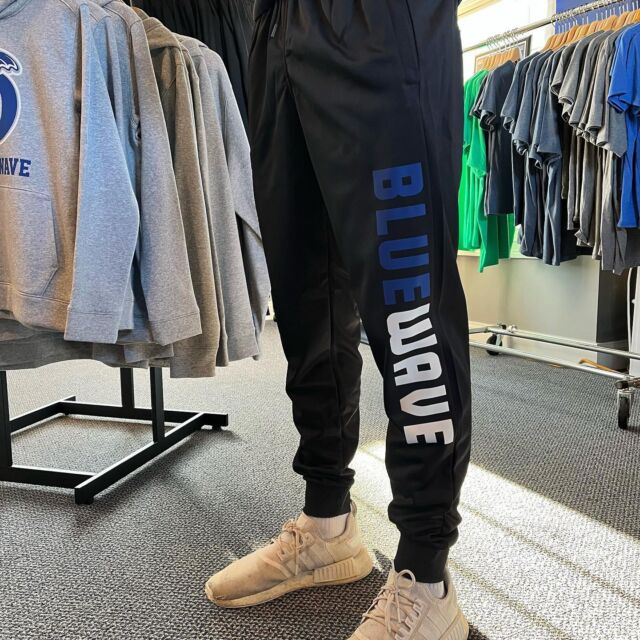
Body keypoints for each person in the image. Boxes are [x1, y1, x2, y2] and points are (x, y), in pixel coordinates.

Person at [206, 1, 472, 638]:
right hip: (274, 25)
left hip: (378, 21)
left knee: (407, 306)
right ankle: (327, 526)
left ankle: (426, 575)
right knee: (306, 299)